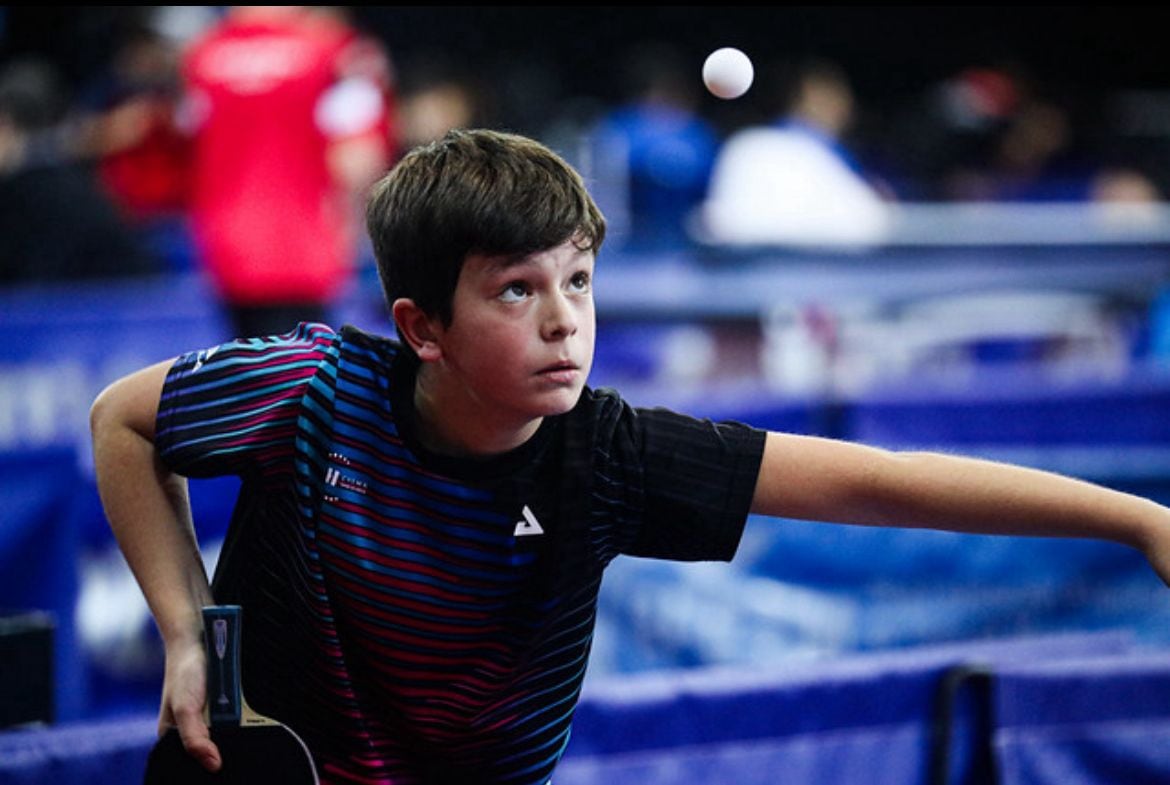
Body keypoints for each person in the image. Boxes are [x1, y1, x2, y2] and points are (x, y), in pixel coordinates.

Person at [90, 129, 1170, 784]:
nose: (565, 320)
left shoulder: (605, 456)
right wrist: (187, 632)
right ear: (422, 326)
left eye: (579, 279)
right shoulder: (313, 386)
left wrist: (1137, 519)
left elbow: (877, 478)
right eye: (517, 288)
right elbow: (122, 422)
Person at [178, 5, 395, 338]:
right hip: (307, 249)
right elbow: (358, 157)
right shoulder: (332, 50)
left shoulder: (201, 55)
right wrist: (352, 228)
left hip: (227, 249)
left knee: (244, 375)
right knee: (303, 375)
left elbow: (186, 142)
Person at [699, 57, 893, 247]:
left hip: (785, 266)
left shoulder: (748, 143)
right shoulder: (758, 147)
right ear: (806, 98)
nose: (842, 108)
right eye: (828, 97)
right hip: (765, 267)